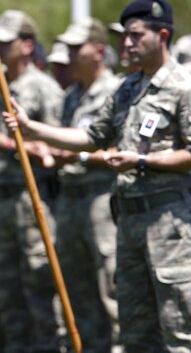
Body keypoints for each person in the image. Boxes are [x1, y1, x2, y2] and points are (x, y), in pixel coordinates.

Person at [3, 0, 191, 351]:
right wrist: (31, 128)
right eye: (122, 36)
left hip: (169, 220)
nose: (126, 44)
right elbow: (91, 138)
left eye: (135, 35)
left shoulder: (184, 88)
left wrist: (143, 162)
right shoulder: (127, 87)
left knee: (180, 327)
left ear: (162, 36)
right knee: (134, 330)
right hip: (128, 220)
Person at [0, 9, 64, 352]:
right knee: (7, 292)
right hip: (2, 197)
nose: (0, 48)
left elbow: (56, 149)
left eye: (8, 43)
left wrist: (4, 144)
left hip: (32, 195)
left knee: (40, 289)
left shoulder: (43, 87)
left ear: (27, 45)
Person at [53, 17, 122, 351]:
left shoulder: (116, 92)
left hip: (101, 198)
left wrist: (76, 157)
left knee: (110, 289)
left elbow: (120, 151)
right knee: (75, 290)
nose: (69, 54)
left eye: (75, 47)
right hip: (69, 199)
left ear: (97, 50)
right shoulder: (71, 96)